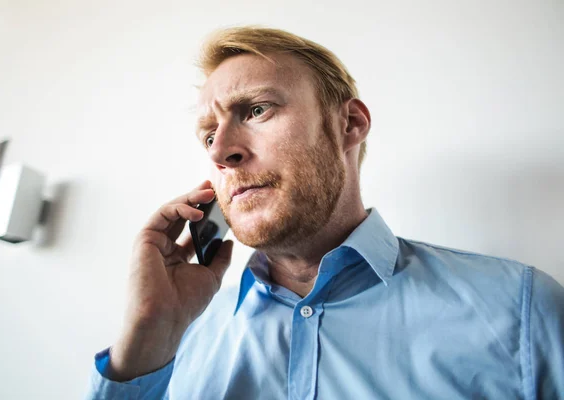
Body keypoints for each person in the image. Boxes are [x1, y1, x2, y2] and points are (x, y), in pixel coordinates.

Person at [85, 27, 564, 400]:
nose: (223, 151)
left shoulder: (519, 310)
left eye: (255, 110)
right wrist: (147, 342)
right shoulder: (175, 346)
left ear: (349, 124)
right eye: (209, 135)